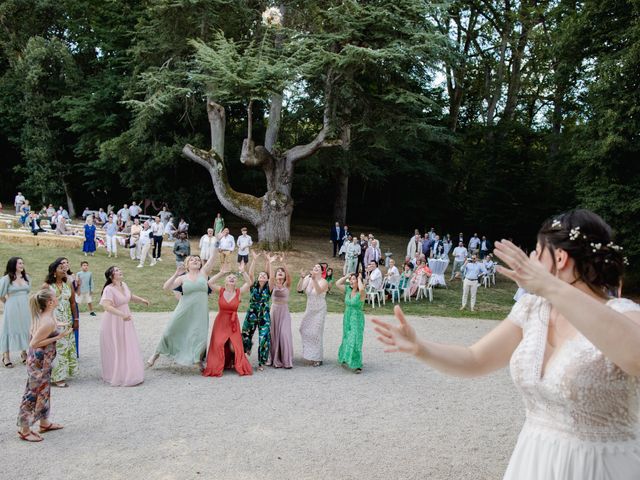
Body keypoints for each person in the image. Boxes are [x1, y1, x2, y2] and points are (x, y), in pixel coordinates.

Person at [373, 209, 640, 480]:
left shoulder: (622, 314)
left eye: (537, 252)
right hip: (533, 461)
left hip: (599, 468)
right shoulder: (533, 309)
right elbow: (475, 358)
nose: (532, 259)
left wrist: (550, 287)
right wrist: (421, 347)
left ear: (560, 258)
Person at [16, 288, 71, 442]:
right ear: (50, 302)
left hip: (43, 362)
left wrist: (58, 324)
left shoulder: (46, 316)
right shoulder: (47, 321)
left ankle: (44, 422)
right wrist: (58, 336)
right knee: (33, 394)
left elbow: (46, 327)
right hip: (38, 363)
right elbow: (34, 343)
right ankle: (24, 429)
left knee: (44, 391)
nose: (57, 297)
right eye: (55, 297)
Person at [147, 253, 216, 368]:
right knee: (170, 331)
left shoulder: (204, 274)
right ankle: (156, 354)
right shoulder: (182, 278)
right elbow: (166, 287)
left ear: (200, 264)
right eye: (192, 260)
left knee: (199, 336)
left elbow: (212, 259)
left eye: (198, 260)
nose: (195, 261)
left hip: (200, 312)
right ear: (187, 265)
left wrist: (217, 243)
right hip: (183, 310)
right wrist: (175, 275)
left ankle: (197, 360)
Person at [99, 266, 149, 386]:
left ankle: (129, 372)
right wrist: (122, 314)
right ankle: (116, 374)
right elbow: (106, 306)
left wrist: (142, 300)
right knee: (118, 345)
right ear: (111, 276)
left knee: (127, 344)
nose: (120, 271)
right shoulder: (108, 289)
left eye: (119, 269)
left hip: (125, 319)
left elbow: (129, 296)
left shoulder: (124, 285)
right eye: (116, 270)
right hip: (113, 320)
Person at [202, 264, 253, 377]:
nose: (231, 278)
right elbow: (209, 283)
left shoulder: (239, 292)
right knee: (219, 343)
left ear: (236, 282)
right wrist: (221, 273)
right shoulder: (221, 290)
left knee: (233, 347)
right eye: (229, 277)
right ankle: (217, 364)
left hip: (233, 323)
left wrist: (243, 272)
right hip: (221, 322)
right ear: (225, 281)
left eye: (234, 278)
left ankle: (234, 361)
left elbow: (249, 283)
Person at [44, 258, 78, 387]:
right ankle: (57, 377)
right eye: (61, 268)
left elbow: (73, 302)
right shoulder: (47, 286)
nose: (64, 270)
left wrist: (76, 319)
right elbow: (41, 305)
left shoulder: (68, 284)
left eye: (65, 268)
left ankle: (62, 373)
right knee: (57, 347)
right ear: (54, 272)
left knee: (66, 347)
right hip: (53, 321)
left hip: (67, 320)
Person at [241, 252, 272, 371]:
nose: (262, 276)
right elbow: (251, 274)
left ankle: (261, 362)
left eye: (264, 275)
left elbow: (272, 276)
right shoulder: (253, 286)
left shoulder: (268, 287)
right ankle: (244, 352)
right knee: (245, 334)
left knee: (264, 338)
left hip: (264, 315)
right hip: (252, 313)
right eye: (261, 275)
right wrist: (254, 260)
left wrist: (269, 262)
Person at [1, 257, 31, 368]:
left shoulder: (27, 277)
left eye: (23, 263)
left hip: (24, 305)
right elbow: (1, 295)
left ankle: (24, 353)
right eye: (19, 263)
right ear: (13, 265)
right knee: (9, 329)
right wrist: (8, 303)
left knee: (25, 327)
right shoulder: (6, 279)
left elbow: (28, 291)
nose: (22, 265)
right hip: (12, 306)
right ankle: (6, 356)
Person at [297, 264, 329, 367]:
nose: (315, 267)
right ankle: (309, 354)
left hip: (320, 309)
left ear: (322, 271)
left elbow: (319, 291)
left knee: (316, 333)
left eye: (318, 267)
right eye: (314, 266)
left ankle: (317, 358)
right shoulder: (308, 278)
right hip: (310, 309)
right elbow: (299, 289)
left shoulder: (324, 281)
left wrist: (314, 279)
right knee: (303, 329)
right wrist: (302, 278)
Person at [336, 273, 366, 373]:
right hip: (347, 316)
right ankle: (345, 357)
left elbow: (361, 289)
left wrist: (360, 278)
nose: (351, 281)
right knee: (346, 337)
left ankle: (357, 364)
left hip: (357, 318)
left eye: (353, 279)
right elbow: (337, 283)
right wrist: (347, 276)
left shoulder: (362, 293)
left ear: (358, 281)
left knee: (355, 339)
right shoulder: (348, 290)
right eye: (351, 280)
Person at [267, 256, 293, 369]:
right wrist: (270, 263)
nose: (281, 273)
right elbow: (271, 277)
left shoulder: (287, 285)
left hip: (284, 312)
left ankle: (286, 360)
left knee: (284, 334)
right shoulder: (272, 285)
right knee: (273, 335)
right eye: (279, 272)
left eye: (282, 272)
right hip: (274, 311)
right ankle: (274, 358)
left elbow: (289, 276)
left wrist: (284, 263)